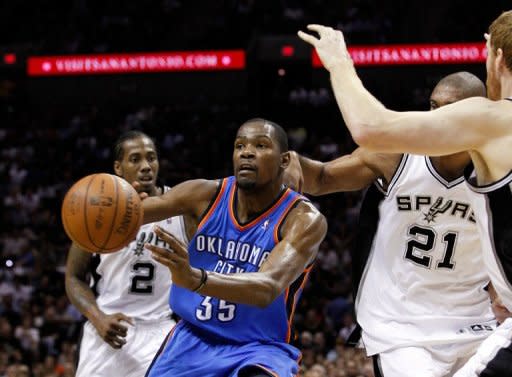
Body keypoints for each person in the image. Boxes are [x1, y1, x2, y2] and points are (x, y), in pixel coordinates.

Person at [297, 10, 512, 376]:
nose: (437, 118)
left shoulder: (494, 120)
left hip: (475, 322)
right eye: (432, 108)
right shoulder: (399, 158)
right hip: (407, 326)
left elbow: (368, 125)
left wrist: (338, 61)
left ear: (495, 55)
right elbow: (321, 178)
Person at [141, 118, 327, 377]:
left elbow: (267, 287)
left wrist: (195, 279)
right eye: (240, 146)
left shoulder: (303, 219)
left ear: (284, 161)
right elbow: (136, 213)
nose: (247, 152)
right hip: (190, 340)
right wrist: (111, 207)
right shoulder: (202, 194)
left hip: (258, 350)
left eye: (261, 145)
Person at [65, 131, 190, 377]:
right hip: (106, 327)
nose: (146, 166)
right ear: (118, 167)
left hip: (160, 330)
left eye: (151, 158)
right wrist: (97, 317)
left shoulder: (181, 207)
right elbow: (73, 276)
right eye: (135, 159)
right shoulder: (96, 210)